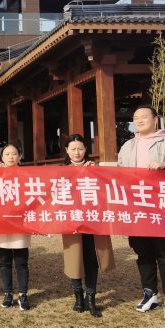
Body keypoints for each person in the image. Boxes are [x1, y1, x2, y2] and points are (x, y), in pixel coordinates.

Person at [118, 104, 165, 320]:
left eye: (144, 116)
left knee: (164, 252)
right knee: (142, 251)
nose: (139, 120)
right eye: (135, 117)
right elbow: (118, 175)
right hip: (136, 206)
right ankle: (150, 293)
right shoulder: (127, 146)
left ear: (155, 119)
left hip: (161, 206)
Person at [60, 134, 115, 317]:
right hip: (72, 221)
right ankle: (78, 297)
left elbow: (107, 190)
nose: (77, 152)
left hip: (93, 220)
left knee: (92, 259)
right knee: (74, 259)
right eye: (73, 149)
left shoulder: (94, 168)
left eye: (80, 148)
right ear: (67, 150)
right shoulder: (60, 171)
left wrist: (96, 171)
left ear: (86, 149)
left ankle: (91, 298)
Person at [0, 144, 31, 311]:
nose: (11, 157)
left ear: (20, 157)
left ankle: (23, 294)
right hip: (2, 222)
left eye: (14, 154)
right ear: (2, 158)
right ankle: (7, 293)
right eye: (7, 154)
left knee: (21, 261)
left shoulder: (27, 176)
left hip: (20, 222)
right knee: (4, 261)